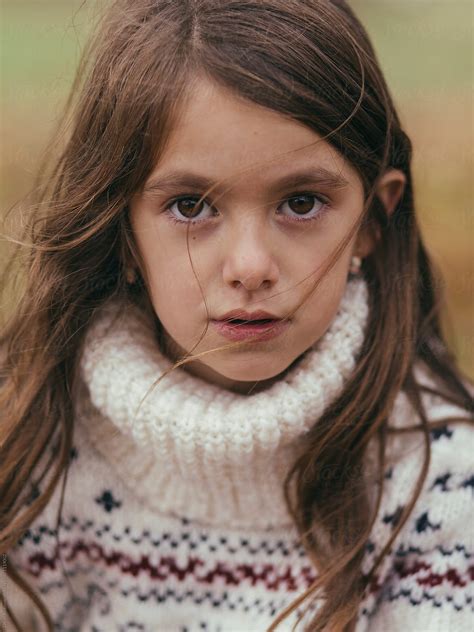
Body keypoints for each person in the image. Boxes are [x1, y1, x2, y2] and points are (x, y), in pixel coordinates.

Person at [1, 1, 473, 630]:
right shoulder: (29, 436)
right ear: (121, 230)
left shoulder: (444, 478)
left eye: (301, 202)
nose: (250, 266)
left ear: (373, 220)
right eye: (192, 206)